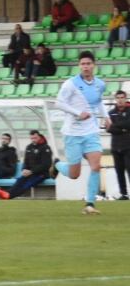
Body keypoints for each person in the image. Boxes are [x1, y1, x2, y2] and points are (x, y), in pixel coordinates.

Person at [52, 51, 108, 215]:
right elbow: (59, 103)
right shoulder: (70, 84)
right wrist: (78, 113)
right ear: (79, 66)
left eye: (88, 63)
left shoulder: (100, 84)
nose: (85, 67)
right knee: (74, 174)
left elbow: (99, 102)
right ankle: (56, 164)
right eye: (83, 64)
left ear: (93, 65)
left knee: (96, 166)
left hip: (91, 131)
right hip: (73, 133)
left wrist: (106, 116)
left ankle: (90, 204)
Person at [0, 131, 53, 200]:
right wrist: (24, 169)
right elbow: (26, 161)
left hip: (41, 174)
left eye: (35, 138)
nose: (33, 140)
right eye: (31, 138)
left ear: (39, 137)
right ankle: (7, 194)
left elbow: (46, 164)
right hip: (29, 173)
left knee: (27, 184)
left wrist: (31, 171)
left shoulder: (45, 147)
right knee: (19, 181)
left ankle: (8, 195)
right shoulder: (29, 147)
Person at [106, 89, 130, 200]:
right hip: (115, 147)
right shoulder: (111, 112)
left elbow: (128, 124)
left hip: (128, 146)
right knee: (119, 171)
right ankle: (124, 194)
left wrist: (116, 126)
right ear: (115, 99)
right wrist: (123, 129)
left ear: (126, 99)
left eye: (122, 98)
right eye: (118, 98)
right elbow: (109, 128)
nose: (120, 100)